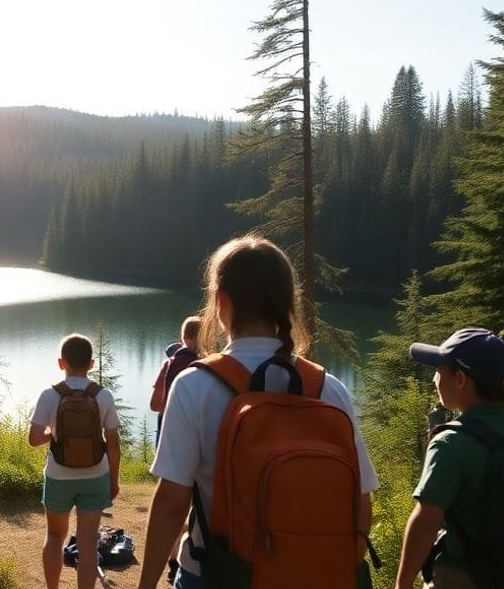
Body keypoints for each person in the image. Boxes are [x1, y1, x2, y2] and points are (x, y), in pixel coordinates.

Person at [135, 234, 378, 589]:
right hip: (315, 578)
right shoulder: (328, 388)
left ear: (220, 300)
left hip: (217, 575)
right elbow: (360, 500)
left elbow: (172, 502)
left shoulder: (194, 385)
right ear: (286, 303)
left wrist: (145, 584)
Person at [393, 328, 504, 589]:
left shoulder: (450, 443)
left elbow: (425, 522)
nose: (434, 380)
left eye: (439, 371)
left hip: (465, 578)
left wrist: (402, 584)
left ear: (461, 378)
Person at [28, 333, 122, 589]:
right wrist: (114, 480)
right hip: (95, 476)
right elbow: (113, 445)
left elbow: (34, 438)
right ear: (91, 364)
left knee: (54, 536)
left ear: (62, 363)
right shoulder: (103, 396)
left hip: (59, 476)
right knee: (88, 542)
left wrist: (55, 434)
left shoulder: (49, 395)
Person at [149, 316, 202, 437]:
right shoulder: (209, 365)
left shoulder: (169, 365)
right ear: (204, 336)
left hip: (168, 431)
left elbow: (154, 405)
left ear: (183, 336)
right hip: (197, 432)